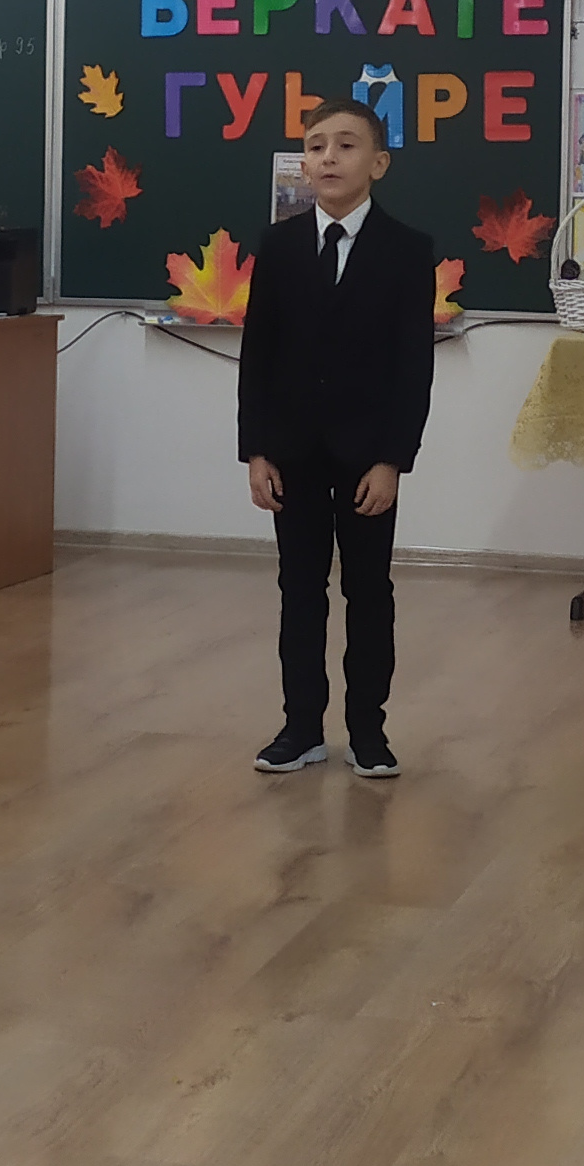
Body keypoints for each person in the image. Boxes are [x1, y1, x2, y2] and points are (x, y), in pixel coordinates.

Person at [236, 95, 436, 779]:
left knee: (369, 591)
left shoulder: (407, 250)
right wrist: (256, 450)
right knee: (299, 589)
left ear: (378, 163)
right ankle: (301, 728)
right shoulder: (279, 245)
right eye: (316, 145)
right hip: (291, 451)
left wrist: (392, 460)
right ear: (303, 163)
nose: (329, 157)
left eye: (347, 145)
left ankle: (368, 731)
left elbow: (413, 367)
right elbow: (258, 356)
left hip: (366, 457)